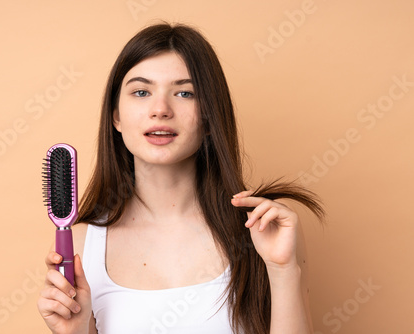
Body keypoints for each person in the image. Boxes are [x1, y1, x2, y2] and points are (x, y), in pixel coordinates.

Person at [37, 22, 325, 334]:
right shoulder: (80, 247)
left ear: (209, 116)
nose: (160, 109)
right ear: (116, 116)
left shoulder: (266, 229)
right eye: (141, 91)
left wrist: (282, 272)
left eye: (185, 92)